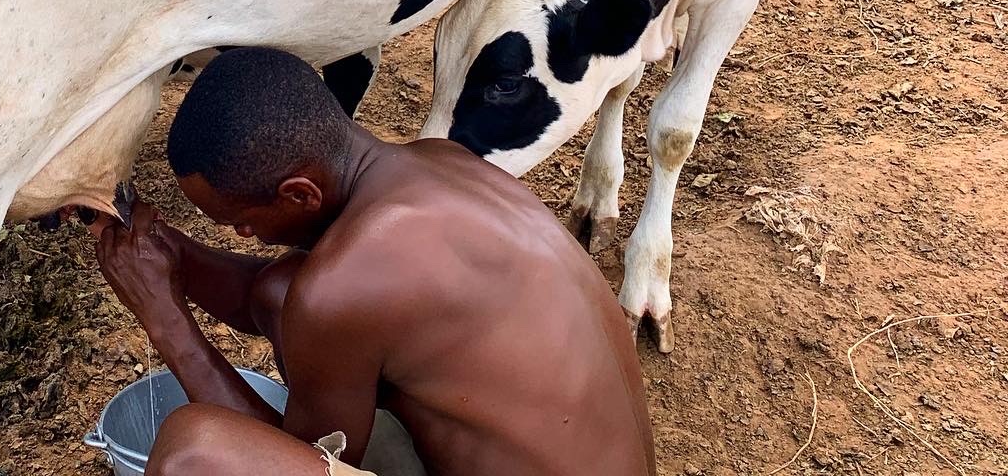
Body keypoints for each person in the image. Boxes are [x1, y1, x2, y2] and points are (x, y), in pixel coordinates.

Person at [91, 47, 655, 476]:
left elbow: (299, 458)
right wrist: (165, 251)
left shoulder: (343, 288)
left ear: (299, 195)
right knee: (280, 292)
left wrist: (166, 320)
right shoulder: (435, 163)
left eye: (240, 222)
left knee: (195, 454)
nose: (243, 235)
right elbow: (263, 294)